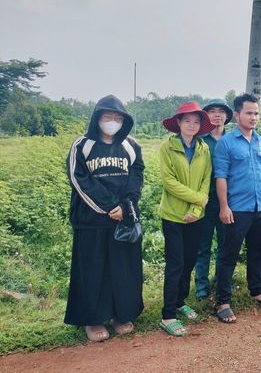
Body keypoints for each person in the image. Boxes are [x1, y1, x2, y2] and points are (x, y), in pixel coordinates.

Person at [65, 95, 144, 342]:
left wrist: (126, 206)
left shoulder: (131, 145)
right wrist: (110, 206)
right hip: (91, 222)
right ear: (97, 118)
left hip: (123, 219)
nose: (113, 121)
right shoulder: (82, 145)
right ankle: (93, 319)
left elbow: (137, 176)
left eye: (118, 118)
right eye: (107, 117)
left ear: (125, 121)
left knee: (123, 269)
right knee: (92, 270)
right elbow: (79, 179)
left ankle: (121, 314)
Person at [213, 93, 261, 323]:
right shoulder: (226, 144)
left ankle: (257, 290)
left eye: (257, 113)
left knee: (256, 252)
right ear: (238, 114)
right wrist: (224, 207)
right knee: (228, 255)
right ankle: (222, 301)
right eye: (249, 113)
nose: (254, 117)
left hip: (259, 207)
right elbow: (220, 177)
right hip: (236, 209)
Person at [158, 102, 215, 337]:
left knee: (190, 260)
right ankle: (168, 315)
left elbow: (206, 179)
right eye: (187, 121)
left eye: (196, 121)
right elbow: (169, 182)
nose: (192, 125)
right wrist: (199, 199)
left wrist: (197, 207)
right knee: (175, 264)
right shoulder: (167, 148)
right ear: (178, 123)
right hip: (173, 216)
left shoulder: (204, 148)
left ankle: (180, 301)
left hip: (196, 216)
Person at [194, 99, 233, 299]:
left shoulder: (234, 139)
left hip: (229, 201)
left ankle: (221, 279)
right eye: (212, 111)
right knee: (203, 245)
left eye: (221, 112)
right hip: (206, 200)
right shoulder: (200, 140)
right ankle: (201, 285)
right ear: (206, 116)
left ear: (227, 116)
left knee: (226, 243)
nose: (217, 115)